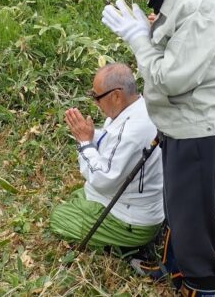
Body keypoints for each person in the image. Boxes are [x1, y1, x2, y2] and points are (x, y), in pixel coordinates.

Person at [101, 0, 215, 297]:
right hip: (183, 124)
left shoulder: (199, 4)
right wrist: (149, 34)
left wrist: (139, 42)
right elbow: (176, 53)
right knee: (179, 206)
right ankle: (173, 266)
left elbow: (173, 79)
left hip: (201, 128)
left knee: (194, 217)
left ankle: (202, 284)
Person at [50, 63, 164, 256]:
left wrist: (85, 142)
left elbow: (103, 180)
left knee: (58, 218)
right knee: (79, 196)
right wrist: (91, 135)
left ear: (116, 96)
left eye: (96, 97)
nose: (95, 102)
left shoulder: (130, 132)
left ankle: (127, 247)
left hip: (132, 220)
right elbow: (113, 143)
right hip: (143, 205)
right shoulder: (140, 107)